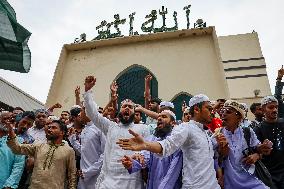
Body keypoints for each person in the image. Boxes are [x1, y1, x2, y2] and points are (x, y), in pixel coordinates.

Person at [117, 94, 229, 189]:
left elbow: (210, 157)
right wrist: (141, 152)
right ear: (196, 109)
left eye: (164, 116)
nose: (212, 111)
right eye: (209, 108)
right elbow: (165, 146)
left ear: (172, 122)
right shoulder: (185, 129)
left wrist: (221, 144)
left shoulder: (205, 133)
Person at [83, 76, 150, 189]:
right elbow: (92, 114)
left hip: (132, 179)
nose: (127, 108)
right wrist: (88, 91)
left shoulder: (143, 128)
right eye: (124, 106)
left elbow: (147, 150)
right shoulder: (110, 126)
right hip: (109, 180)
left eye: (130, 107)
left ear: (134, 112)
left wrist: (139, 157)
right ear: (120, 111)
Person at [213, 100, 271, 189]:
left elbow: (258, 149)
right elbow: (213, 160)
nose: (223, 114)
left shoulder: (247, 132)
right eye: (222, 111)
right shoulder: (217, 135)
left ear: (239, 117)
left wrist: (258, 154)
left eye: (228, 112)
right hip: (229, 182)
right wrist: (222, 153)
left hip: (251, 180)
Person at [6, 119, 77, 189]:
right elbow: (17, 148)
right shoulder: (39, 145)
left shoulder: (69, 151)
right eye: (49, 127)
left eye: (54, 128)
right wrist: (11, 131)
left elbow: (72, 175)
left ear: (62, 132)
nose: (49, 129)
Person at [121, 110, 183, 189]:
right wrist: (132, 164)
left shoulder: (176, 141)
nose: (159, 118)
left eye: (164, 117)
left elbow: (173, 172)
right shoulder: (153, 138)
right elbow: (145, 156)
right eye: (159, 117)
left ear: (172, 123)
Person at [69, 107, 106, 189]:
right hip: (83, 177)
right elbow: (83, 152)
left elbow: (106, 154)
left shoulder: (101, 127)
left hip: (96, 177)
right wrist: (72, 138)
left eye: (81, 111)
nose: (79, 115)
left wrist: (89, 171)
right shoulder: (85, 129)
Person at [254, 96, 284, 189]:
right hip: (271, 173)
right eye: (271, 107)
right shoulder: (258, 129)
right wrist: (261, 149)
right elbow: (256, 151)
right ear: (263, 110)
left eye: (276, 107)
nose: (275, 110)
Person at [0, 112, 25, 189]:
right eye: (5, 119)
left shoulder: (19, 142)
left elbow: (18, 165)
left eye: (11, 120)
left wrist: (9, 185)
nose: (8, 122)